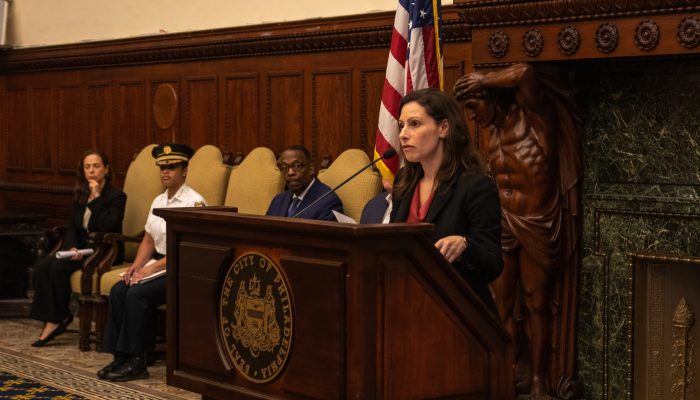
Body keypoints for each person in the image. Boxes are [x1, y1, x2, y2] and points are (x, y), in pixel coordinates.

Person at [454, 63, 581, 399]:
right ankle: (508, 371)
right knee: (500, 303)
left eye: (474, 107)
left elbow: (525, 72)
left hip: (538, 221)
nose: (473, 119)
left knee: (535, 301)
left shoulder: (535, 119)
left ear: (492, 97)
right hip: (503, 222)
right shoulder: (492, 132)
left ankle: (539, 378)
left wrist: (481, 77)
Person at [98, 143, 206, 382]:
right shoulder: (158, 200)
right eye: (162, 168)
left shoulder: (194, 202)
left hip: (181, 268)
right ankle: (121, 356)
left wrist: (151, 269)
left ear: (184, 171)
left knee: (137, 294)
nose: (165, 172)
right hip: (158, 265)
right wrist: (136, 266)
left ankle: (138, 361)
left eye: (172, 167)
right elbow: (148, 237)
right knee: (119, 290)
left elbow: (184, 248)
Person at [390, 88, 503, 311]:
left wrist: (465, 246)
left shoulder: (476, 187)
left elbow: (493, 263)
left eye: (414, 124)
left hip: (456, 311)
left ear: (443, 128)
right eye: (401, 125)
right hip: (406, 303)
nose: (403, 134)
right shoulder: (404, 183)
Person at [30, 150, 126, 347]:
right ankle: (53, 316)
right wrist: (72, 247)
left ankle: (56, 320)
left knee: (58, 268)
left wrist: (97, 197)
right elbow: (73, 227)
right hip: (80, 249)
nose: (91, 171)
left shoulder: (116, 196)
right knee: (43, 266)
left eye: (96, 166)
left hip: (105, 251)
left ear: (106, 170)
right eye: (87, 167)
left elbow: (107, 225)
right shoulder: (81, 194)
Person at [266, 145, 343, 221]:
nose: (290, 172)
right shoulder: (278, 200)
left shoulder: (328, 201)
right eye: (284, 167)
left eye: (297, 166)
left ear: (311, 168)